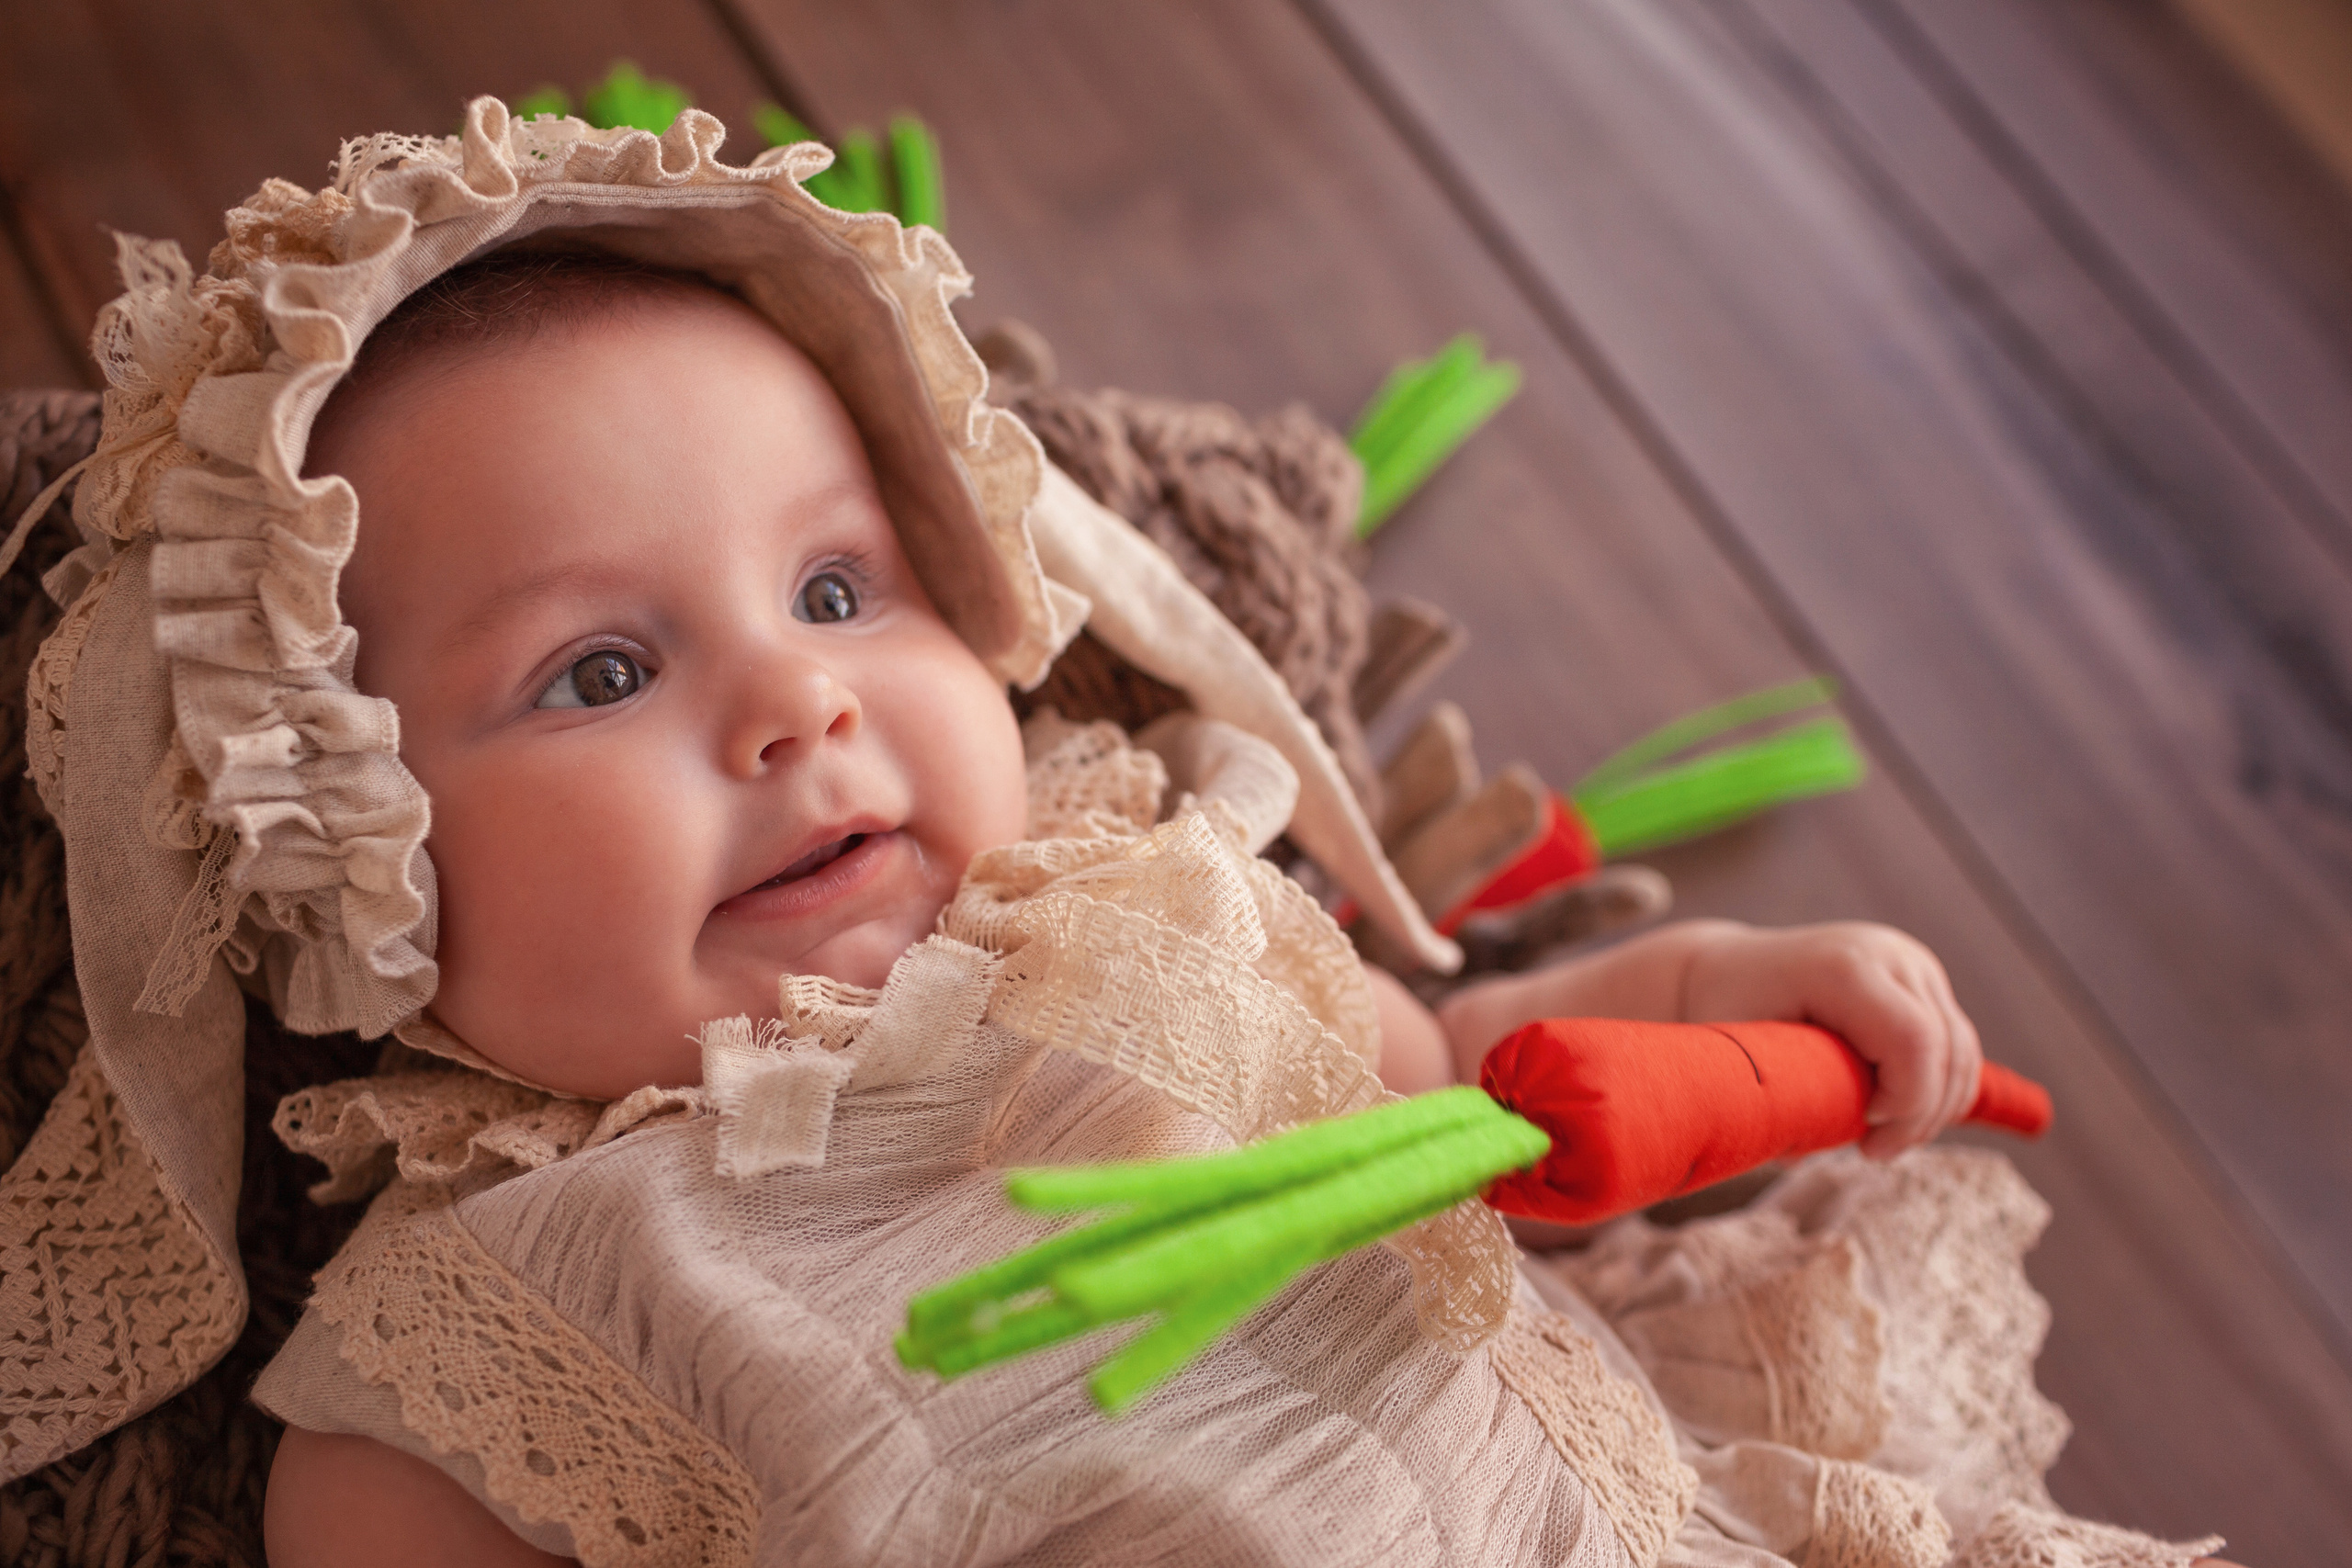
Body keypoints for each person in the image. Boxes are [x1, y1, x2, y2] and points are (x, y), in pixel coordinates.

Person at [0, 101, 2230, 1568]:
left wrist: (1707, 1000)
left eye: (838, 589)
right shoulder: (472, 1337)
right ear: (338, 843)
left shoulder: (1144, 911)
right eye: (599, 670)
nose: (798, 699)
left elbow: (1465, 1087)